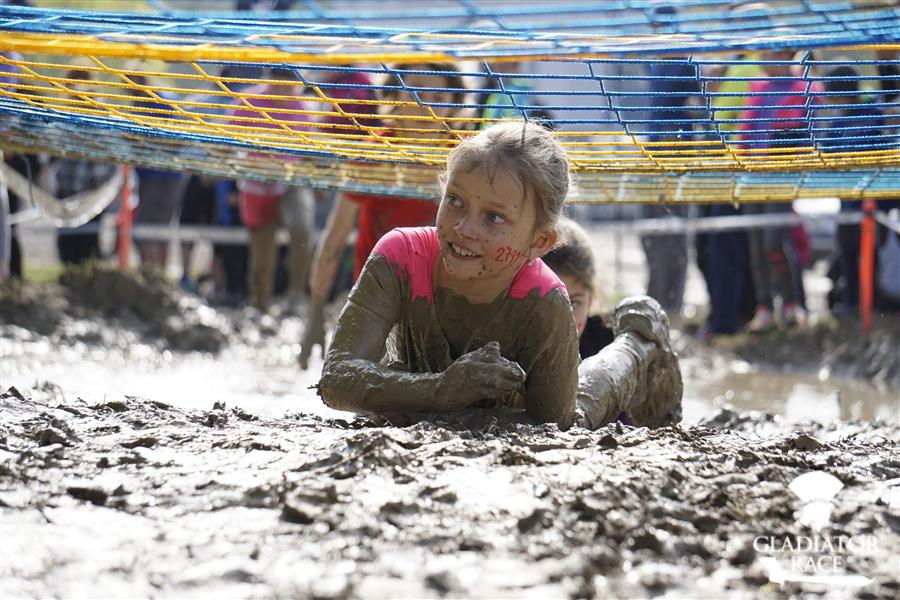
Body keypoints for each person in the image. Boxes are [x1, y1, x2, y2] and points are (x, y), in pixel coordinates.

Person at [317, 122, 681, 430]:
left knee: (578, 413)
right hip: (437, 394)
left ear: (539, 242)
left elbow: (552, 430)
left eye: (494, 217)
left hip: (524, 407)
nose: (464, 229)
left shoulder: (544, 300)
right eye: (455, 200)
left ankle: (635, 346)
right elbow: (336, 379)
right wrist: (442, 390)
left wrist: (435, 401)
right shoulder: (399, 256)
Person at [299, 64, 468, 367]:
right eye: (415, 91)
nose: (424, 104)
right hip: (376, 296)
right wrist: (314, 315)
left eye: (437, 96)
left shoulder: (464, 159)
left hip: (444, 298)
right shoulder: (374, 153)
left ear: (453, 105)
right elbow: (335, 236)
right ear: (395, 95)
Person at [543, 217, 682, 427]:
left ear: (591, 298)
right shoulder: (516, 343)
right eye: (550, 301)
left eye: (574, 302)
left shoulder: (611, 340)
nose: (564, 317)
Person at [739, 48, 823, 330]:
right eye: (762, 56)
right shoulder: (758, 87)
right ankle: (764, 308)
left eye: (770, 55)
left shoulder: (802, 87)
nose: (764, 61)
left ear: (787, 56)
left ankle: (791, 304)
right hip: (753, 174)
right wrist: (741, 162)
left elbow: (810, 128)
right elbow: (746, 127)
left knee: (774, 241)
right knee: (756, 245)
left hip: (781, 174)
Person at [229, 67, 315, 310]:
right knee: (262, 259)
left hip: (290, 185)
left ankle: (296, 293)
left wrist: (314, 180)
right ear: (268, 81)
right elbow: (228, 140)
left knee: (302, 229)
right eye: (277, 84)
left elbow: (311, 151)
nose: (282, 91)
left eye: (288, 87)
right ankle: (260, 305)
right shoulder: (249, 102)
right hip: (256, 187)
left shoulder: (303, 109)